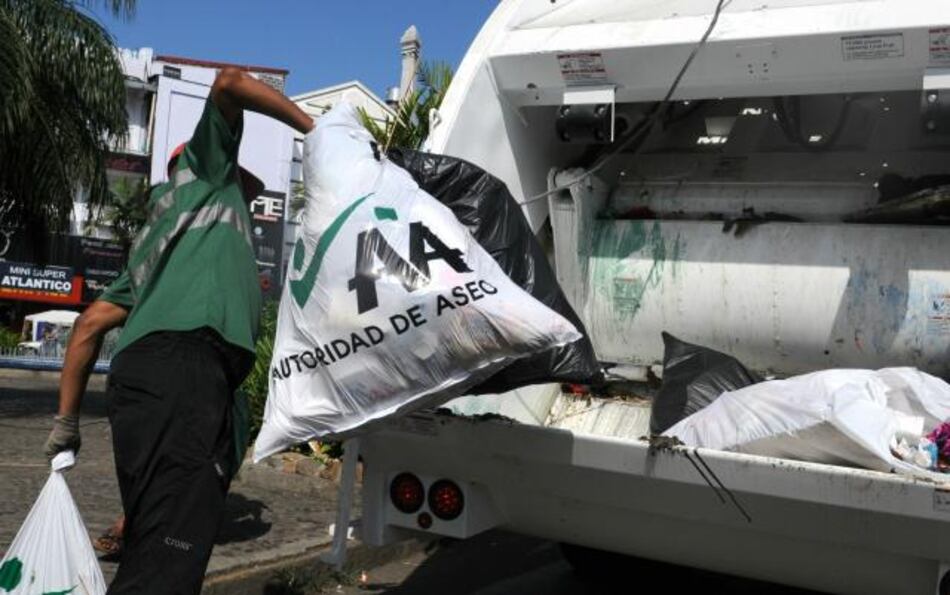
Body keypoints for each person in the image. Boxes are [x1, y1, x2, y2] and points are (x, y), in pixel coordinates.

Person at [43, 66, 314, 594]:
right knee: (166, 569)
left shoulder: (154, 244)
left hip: (146, 383)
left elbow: (88, 327)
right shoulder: (207, 176)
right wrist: (314, 129)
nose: (249, 191)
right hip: (183, 371)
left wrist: (66, 424)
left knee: (154, 543)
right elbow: (231, 81)